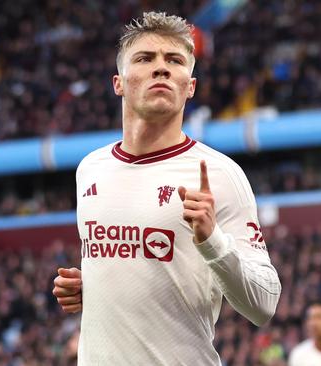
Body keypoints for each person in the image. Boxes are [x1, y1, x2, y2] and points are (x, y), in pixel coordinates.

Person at [52, 11, 281, 365]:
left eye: (174, 60)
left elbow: (264, 304)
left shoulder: (219, 174)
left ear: (189, 86)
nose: (161, 68)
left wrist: (211, 239)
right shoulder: (90, 169)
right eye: (144, 58)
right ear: (119, 83)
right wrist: (94, 290)